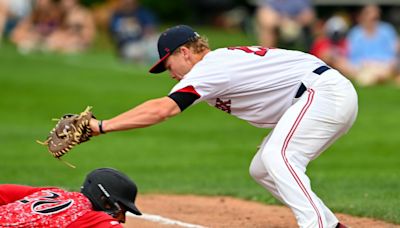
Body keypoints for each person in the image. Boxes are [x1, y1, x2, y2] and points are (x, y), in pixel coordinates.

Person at [88, 25, 357, 228]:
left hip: (323, 92)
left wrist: (101, 126)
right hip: (318, 96)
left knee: (279, 156)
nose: (170, 74)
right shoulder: (216, 65)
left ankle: (317, 225)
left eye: (169, 65)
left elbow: (163, 110)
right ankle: (330, 223)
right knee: (262, 168)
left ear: (184, 52)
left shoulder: (211, 67)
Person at [0, 167, 142, 227]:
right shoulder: (90, 217)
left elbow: (3, 191)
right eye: (121, 210)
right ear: (104, 201)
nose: (122, 219)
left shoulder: (52, 193)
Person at [346, 4, 399, 86]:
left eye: (376, 17)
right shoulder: (356, 33)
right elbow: (352, 56)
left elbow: (394, 50)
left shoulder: (387, 30)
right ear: (363, 16)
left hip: (385, 65)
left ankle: (375, 78)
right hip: (364, 66)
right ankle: (379, 78)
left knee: (367, 77)